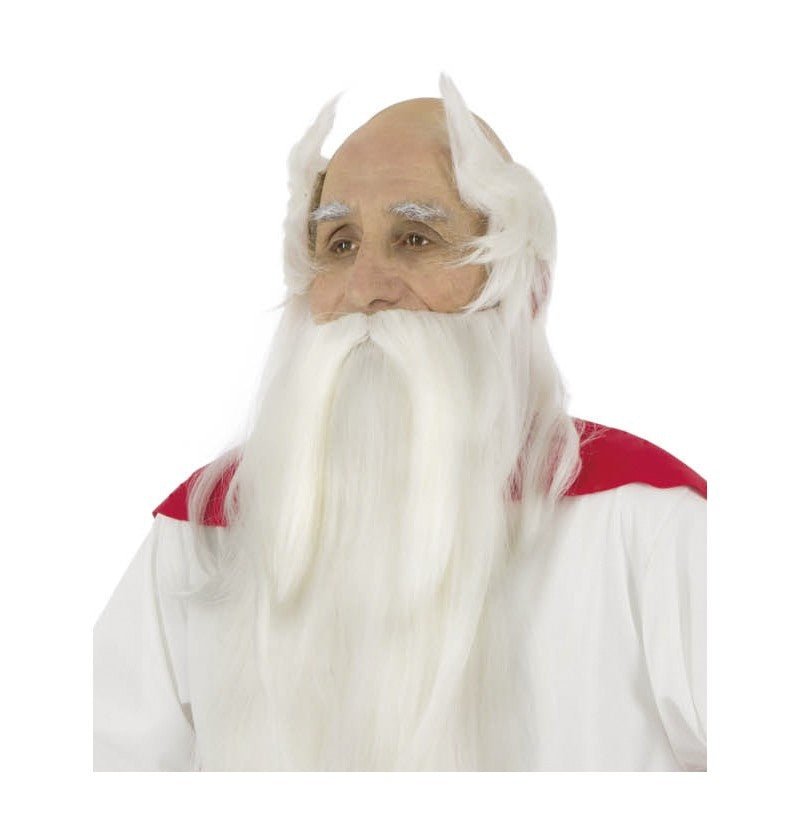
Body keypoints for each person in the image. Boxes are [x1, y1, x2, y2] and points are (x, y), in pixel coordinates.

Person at [93, 74, 706, 771]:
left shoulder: (646, 521)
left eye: (416, 238)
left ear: (519, 285)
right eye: (339, 243)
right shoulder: (204, 532)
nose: (366, 288)